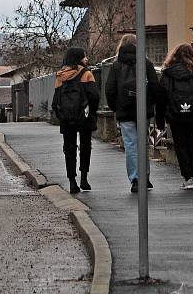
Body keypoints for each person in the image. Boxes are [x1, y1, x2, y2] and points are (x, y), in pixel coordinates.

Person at [105, 34, 160, 193]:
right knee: (143, 143)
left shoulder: (116, 66)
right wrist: (151, 105)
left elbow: (110, 89)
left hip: (125, 111)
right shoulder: (146, 63)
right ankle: (146, 177)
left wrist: (116, 108)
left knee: (130, 145)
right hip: (143, 111)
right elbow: (155, 86)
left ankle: (135, 178)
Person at [156, 43, 193, 190]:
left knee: (180, 145)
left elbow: (161, 98)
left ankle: (187, 177)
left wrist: (159, 119)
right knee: (190, 142)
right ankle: (191, 173)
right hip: (192, 113)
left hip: (175, 114)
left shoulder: (167, 73)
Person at [52, 47, 99, 194]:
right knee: (85, 146)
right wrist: (91, 113)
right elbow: (94, 97)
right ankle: (84, 179)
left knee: (69, 148)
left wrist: (61, 116)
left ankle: (72, 182)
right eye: (84, 57)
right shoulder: (87, 74)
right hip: (84, 117)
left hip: (67, 118)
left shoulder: (60, 76)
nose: (86, 59)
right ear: (79, 58)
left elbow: (55, 101)